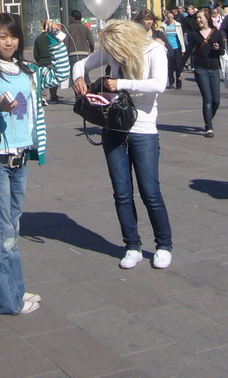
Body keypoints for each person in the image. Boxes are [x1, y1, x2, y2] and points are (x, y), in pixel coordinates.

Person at [0, 13, 69, 315]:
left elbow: (60, 73)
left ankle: (15, 291)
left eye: (13, 36)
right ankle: (4, 302)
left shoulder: (29, 71)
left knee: (13, 229)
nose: (8, 42)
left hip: (20, 160)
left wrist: (55, 37)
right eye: (2, 36)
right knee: (1, 232)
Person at [71, 20, 173, 269]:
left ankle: (163, 245)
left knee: (150, 192)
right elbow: (81, 63)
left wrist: (122, 84)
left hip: (144, 130)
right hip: (113, 128)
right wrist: (78, 78)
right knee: (122, 192)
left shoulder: (154, 50)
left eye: (116, 51)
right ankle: (132, 245)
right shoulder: (112, 50)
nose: (113, 56)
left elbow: (160, 84)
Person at [191, 7, 226, 137]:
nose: (198, 20)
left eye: (201, 17)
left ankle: (209, 118)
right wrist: (178, 71)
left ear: (207, 18)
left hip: (214, 69)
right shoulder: (194, 34)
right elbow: (189, 52)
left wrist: (218, 48)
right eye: (197, 18)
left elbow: (222, 51)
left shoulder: (216, 33)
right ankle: (208, 127)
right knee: (207, 99)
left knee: (216, 101)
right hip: (200, 69)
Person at [32, 20, 62, 105]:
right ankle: (53, 96)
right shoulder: (51, 38)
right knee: (52, 78)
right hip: (51, 61)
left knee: (41, 79)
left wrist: (38, 60)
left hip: (41, 61)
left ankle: (42, 97)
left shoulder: (38, 38)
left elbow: (35, 52)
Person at [64, 9, 94, 77]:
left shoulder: (68, 28)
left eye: (70, 17)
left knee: (76, 75)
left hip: (73, 55)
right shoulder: (86, 28)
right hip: (84, 54)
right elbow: (91, 42)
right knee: (85, 74)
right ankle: (87, 86)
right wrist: (92, 50)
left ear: (73, 18)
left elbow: (66, 43)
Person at [161, 9, 185, 89]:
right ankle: (171, 82)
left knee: (178, 66)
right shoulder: (163, 25)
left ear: (173, 17)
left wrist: (183, 49)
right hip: (169, 48)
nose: (170, 19)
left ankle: (179, 83)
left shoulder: (177, 25)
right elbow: (162, 37)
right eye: (168, 17)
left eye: (171, 17)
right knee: (170, 66)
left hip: (177, 47)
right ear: (166, 17)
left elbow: (181, 37)